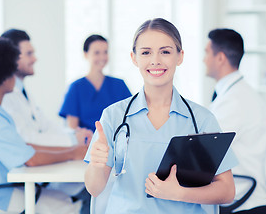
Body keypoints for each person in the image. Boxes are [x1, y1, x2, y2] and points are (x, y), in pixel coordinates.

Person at [84, 18, 238, 213]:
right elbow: (94, 188)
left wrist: (179, 193)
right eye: (146, 52)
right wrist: (97, 164)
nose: (155, 60)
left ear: (179, 56)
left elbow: (227, 191)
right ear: (134, 58)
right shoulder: (114, 116)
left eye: (165, 52)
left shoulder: (202, 120)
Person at [0, 37, 85, 214]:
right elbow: (30, 159)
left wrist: (73, 151)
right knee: (76, 205)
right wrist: (74, 152)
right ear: (6, 76)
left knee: (69, 196)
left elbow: (24, 148)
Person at [0, 29, 92, 214]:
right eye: (29, 54)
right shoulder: (5, 97)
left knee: (90, 189)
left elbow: (45, 126)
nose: (35, 59)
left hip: (37, 176)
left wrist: (74, 135)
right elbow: (28, 138)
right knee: (87, 197)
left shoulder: (23, 92)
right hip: (19, 182)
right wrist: (73, 144)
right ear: (12, 58)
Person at [204, 28, 266, 213]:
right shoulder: (237, 94)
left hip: (247, 204)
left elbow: (205, 151)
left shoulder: (235, 101)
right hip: (249, 199)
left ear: (220, 58)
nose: (204, 59)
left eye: (207, 53)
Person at [59, 34, 132, 132]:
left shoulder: (119, 85)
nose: (102, 57)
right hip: (87, 145)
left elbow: (131, 119)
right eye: (96, 53)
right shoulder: (76, 88)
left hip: (117, 143)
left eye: (105, 52)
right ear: (86, 54)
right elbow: (73, 131)